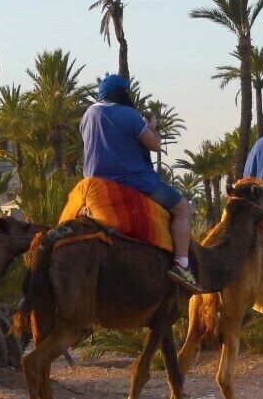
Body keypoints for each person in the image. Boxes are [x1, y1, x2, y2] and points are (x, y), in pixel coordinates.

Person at [78, 74, 195, 286]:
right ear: (122, 92)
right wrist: (152, 127)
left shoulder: (88, 114)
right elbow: (155, 145)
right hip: (135, 182)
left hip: (95, 185)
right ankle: (182, 265)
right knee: (183, 210)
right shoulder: (128, 114)